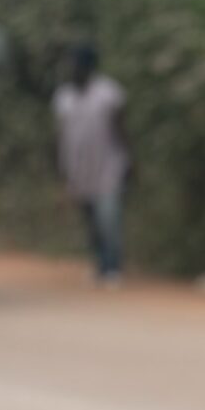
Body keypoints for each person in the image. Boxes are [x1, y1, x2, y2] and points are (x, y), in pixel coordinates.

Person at [53, 42, 133, 284]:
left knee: (108, 220)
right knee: (91, 222)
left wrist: (130, 161)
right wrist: (60, 169)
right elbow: (60, 135)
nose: (72, 68)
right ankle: (100, 264)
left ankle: (113, 267)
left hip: (108, 167)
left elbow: (122, 129)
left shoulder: (109, 94)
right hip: (78, 171)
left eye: (76, 63)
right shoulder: (64, 97)